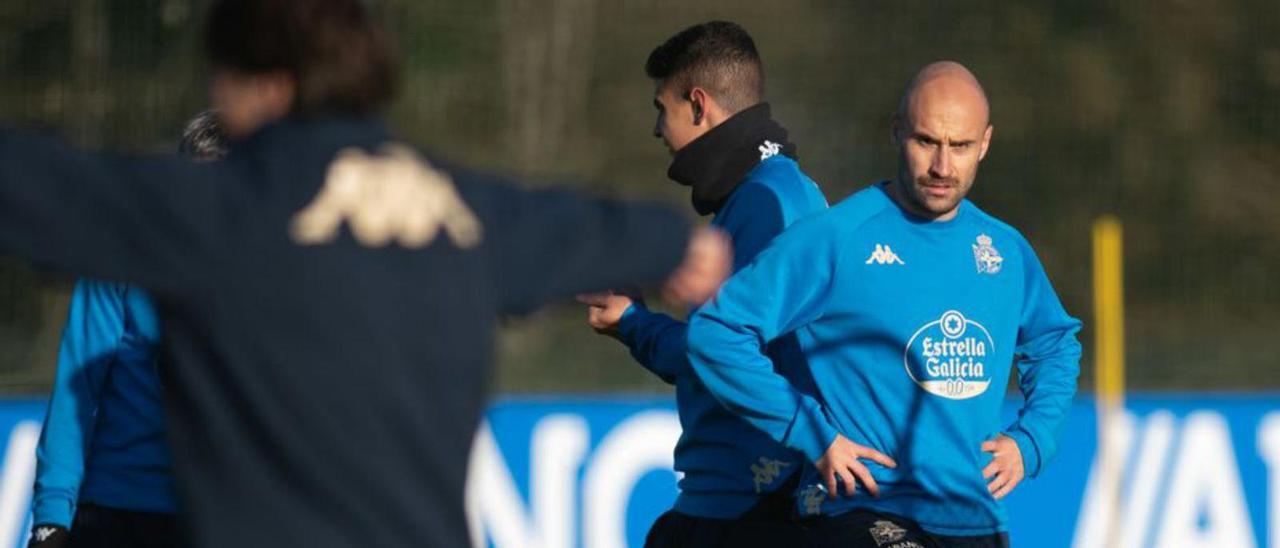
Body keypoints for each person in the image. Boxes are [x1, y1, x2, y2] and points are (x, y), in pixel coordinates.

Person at [0, 1, 731, 546]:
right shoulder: (458, 207)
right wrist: (672, 247)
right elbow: (572, 225)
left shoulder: (227, 210)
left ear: (265, 85)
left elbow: (50, 186)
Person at [687, 61, 1082, 547]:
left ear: (985, 143)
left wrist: (1033, 441)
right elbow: (716, 332)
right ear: (896, 133)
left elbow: (1055, 343)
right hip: (865, 511)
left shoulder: (1003, 248)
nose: (942, 166)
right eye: (925, 141)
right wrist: (813, 433)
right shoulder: (838, 238)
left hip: (976, 519)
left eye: (959, 146)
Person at [577, 21, 827, 547]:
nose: (657, 130)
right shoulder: (765, 194)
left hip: (753, 507)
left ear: (697, 104)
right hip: (731, 502)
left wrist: (632, 323)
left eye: (660, 108)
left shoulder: (767, 202)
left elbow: (720, 353)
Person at [25, 112, 229, 548]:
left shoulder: (277, 278)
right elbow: (75, 392)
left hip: (219, 513)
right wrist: (51, 518)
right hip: (117, 512)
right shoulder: (120, 260)